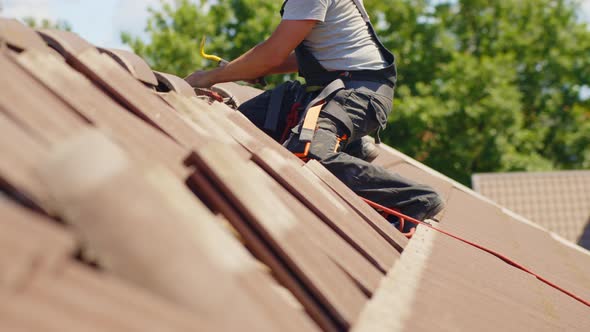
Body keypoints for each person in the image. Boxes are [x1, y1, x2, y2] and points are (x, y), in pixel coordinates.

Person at [186, 0, 443, 229]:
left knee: (308, 151)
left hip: (356, 94)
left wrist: (208, 77)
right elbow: (295, 56)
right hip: (332, 90)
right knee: (248, 119)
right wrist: (245, 68)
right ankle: (350, 150)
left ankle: (415, 198)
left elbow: (272, 54)